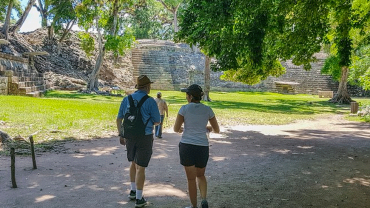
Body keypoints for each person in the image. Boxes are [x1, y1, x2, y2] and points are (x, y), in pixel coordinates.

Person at [116, 75, 160, 208]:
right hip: (144, 136)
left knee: (133, 163)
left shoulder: (127, 99)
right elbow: (157, 121)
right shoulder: (150, 101)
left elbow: (119, 119)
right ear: (147, 87)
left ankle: (133, 191)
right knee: (141, 167)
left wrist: (121, 134)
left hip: (129, 136)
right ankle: (139, 199)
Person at [173, 84, 220, 208]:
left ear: (190, 96)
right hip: (202, 146)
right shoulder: (207, 109)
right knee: (201, 175)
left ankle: (193, 206)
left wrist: (184, 129)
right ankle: (204, 199)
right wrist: (205, 128)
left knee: (191, 179)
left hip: (187, 145)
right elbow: (217, 129)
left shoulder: (184, 109)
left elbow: (176, 129)